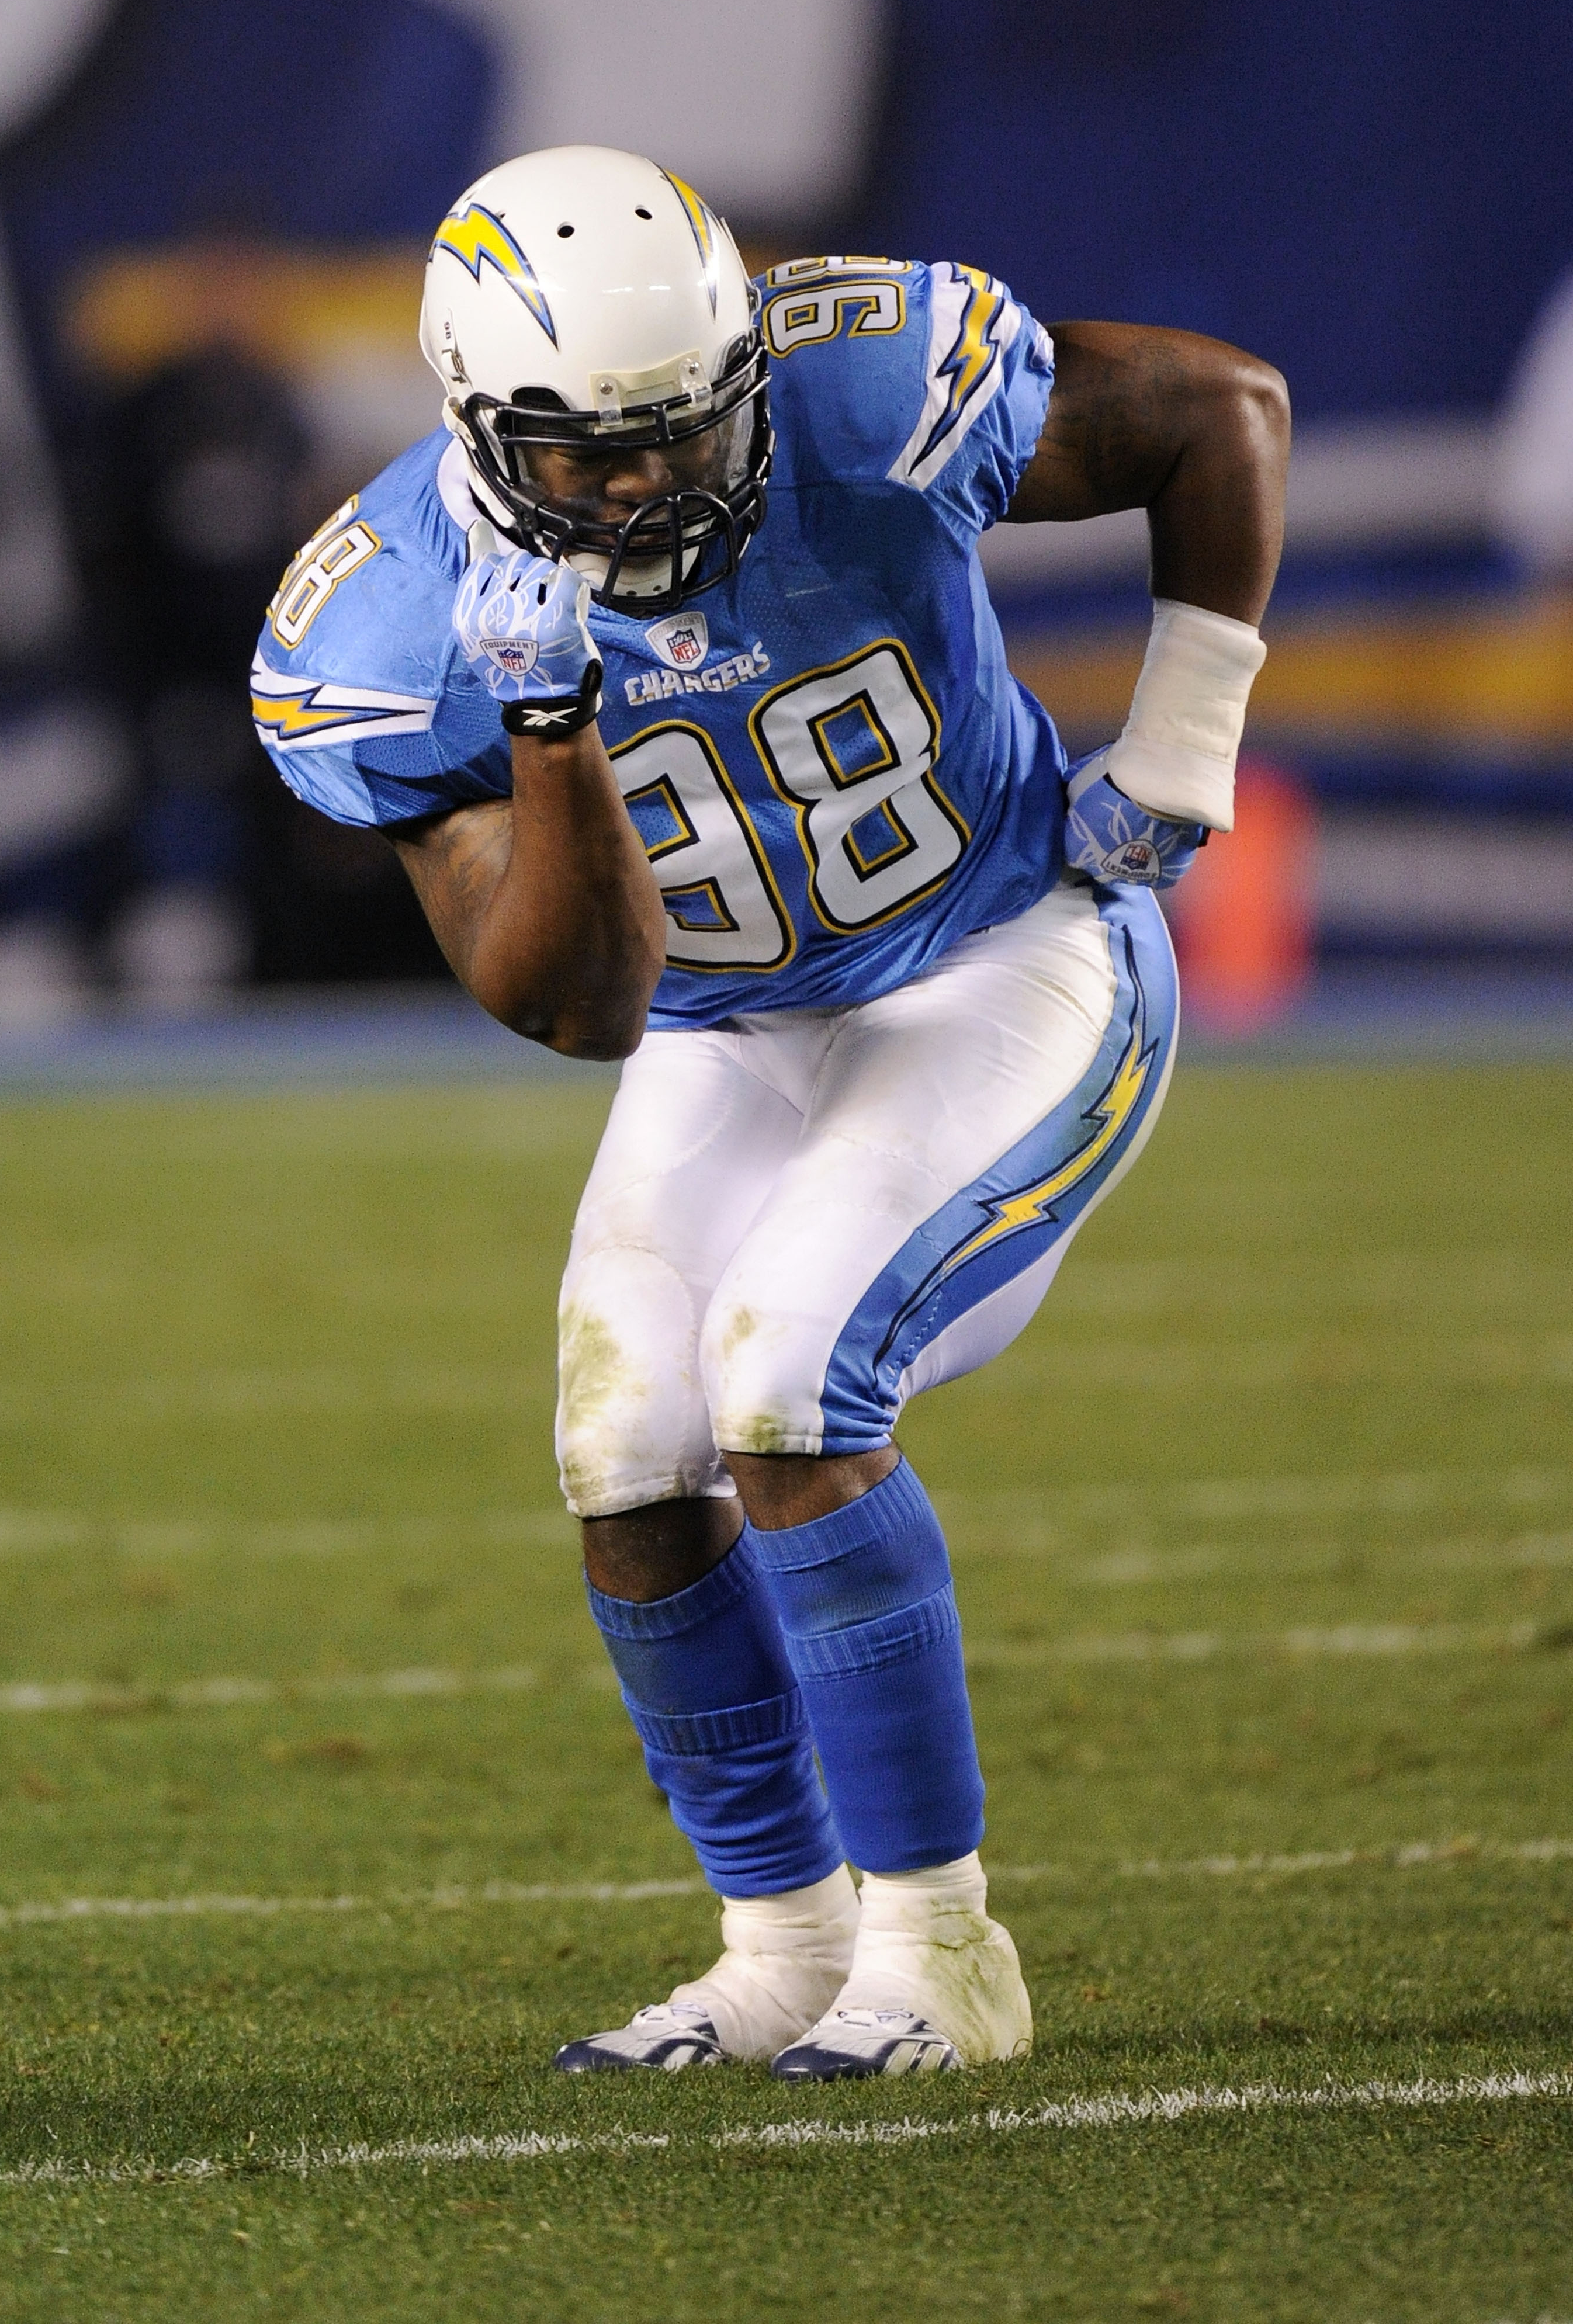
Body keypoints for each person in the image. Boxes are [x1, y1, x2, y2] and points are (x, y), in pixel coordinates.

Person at [252, 145, 1287, 2080]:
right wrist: (546, 722)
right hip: (723, 1027)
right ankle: (786, 1948)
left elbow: (1222, 411)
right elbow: (575, 1005)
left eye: (682, 430)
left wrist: (1183, 741)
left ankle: (939, 1948)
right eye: (588, 454)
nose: (649, 484)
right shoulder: (390, 635)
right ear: (481, 436)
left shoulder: (867, 385)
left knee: (789, 1375)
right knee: (623, 1437)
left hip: (998, 955)